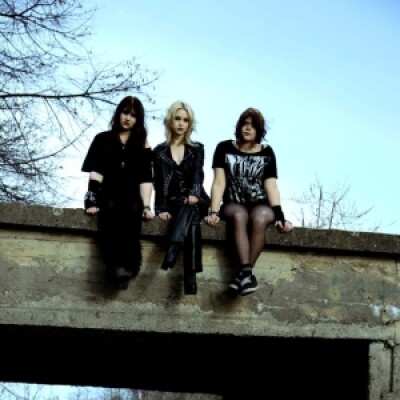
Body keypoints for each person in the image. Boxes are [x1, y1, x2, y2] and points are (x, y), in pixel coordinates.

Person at [204, 107, 292, 296]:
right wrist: (213, 211)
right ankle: (246, 274)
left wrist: (280, 216)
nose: (248, 128)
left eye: (253, 126)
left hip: (260, 204)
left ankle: (243, 274)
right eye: (244, 124)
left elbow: (271, 186)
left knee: (260, 217)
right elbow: (219, 183)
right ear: (239, 126)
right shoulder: (224, 148)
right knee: (239, 215)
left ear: (259, 130)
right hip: (232, 204)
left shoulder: (267, 152)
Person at [81, 95, 154, 289]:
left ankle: (128, 267)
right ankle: (114, 267)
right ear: (118, 113)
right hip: (108, 191)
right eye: (125, 112)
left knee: (133, 208)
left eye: (133, 115)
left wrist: (147, 206)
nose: (128, 118)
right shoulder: (102, 139)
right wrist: (91, 200)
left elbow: (145, 178)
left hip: (131, 194)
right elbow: (96, 172)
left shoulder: (143, 144)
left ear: (138, 119)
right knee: (111, 208)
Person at [152, 101, 210, 295]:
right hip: (174, 202)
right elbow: (158, 182)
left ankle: (172, 249)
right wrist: (160, 209)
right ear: (170, 121)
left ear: (189, 124)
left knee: (191, 206)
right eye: (177, 119)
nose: (181, 123)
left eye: (185, 120)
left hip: (197, 199)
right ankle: (190, 281)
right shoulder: (159, 152)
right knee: (191, 218)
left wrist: (194, 193)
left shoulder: (197, 149)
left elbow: (197, 174)